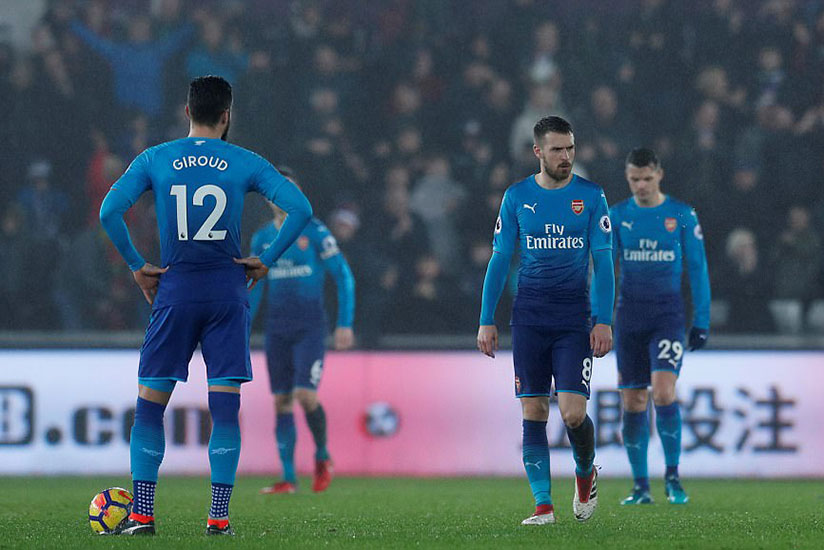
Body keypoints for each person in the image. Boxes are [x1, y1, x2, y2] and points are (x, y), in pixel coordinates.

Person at [99, 76, 312, 536]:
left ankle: (142, 515)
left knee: (150, 408)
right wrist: (267, 260)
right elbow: (300, 209)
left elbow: (108, 211)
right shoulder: (245, 161)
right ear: (226, 115)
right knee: (225, 411)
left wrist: (138, 265)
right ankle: (218, 518)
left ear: (187, 111)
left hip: (174, 293)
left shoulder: (156, 158)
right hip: (227, 294)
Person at [477, 116, 615, 526]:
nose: (566, 156)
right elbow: (500, 259)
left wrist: (603, 320)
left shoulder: (591, 196)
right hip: (530, 318)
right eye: (557, 149)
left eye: (570, 148)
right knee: (533, 411)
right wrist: (487, 319)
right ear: (538, 151)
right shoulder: (517, 197)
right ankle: (543, 506)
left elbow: (604, 261)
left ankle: (585, 471)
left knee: (573, 414)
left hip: (574, 319)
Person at [600, 148, 710, 506]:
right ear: (627, 177)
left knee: (663, 393)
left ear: (659, 174)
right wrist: (599, 318)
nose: (641, 185)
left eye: (647, 178)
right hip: (629, 318)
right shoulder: (616, 216)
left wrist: (702, 320)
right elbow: (602, 272)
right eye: (634, 179)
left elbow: (697, 270)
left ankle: (673, 478)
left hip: (667, 317)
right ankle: (640, 486)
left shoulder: (681, 215)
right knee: (633, 400)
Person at [249, 167, 355, 495]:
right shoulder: (261, 237)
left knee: (305, 396)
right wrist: (241, 327)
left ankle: (322, 457)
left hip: (310, 327)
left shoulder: (316, 231)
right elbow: (253, 288)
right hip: (276, 329)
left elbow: (344, 277)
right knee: (281, 401)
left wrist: (344, 323)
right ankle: (288, 478)